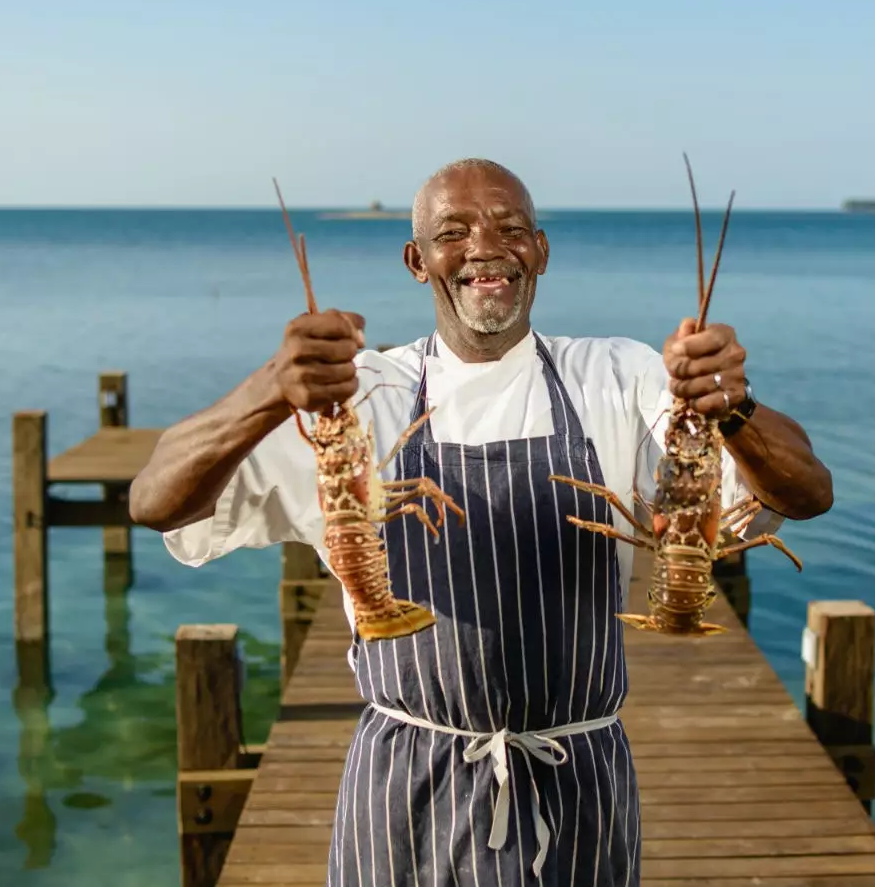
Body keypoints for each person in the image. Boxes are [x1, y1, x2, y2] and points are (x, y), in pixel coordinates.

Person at [129, 158, 833, 886]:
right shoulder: (365, 390)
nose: (485, 248)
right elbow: (156, 502)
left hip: (577, 780)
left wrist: (735, 408)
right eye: (452, 232)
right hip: (403, 784)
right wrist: (266, 393)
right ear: (416, 261)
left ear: (542, 252)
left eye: (511, 228)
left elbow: (805, 493)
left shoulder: (620, 375)